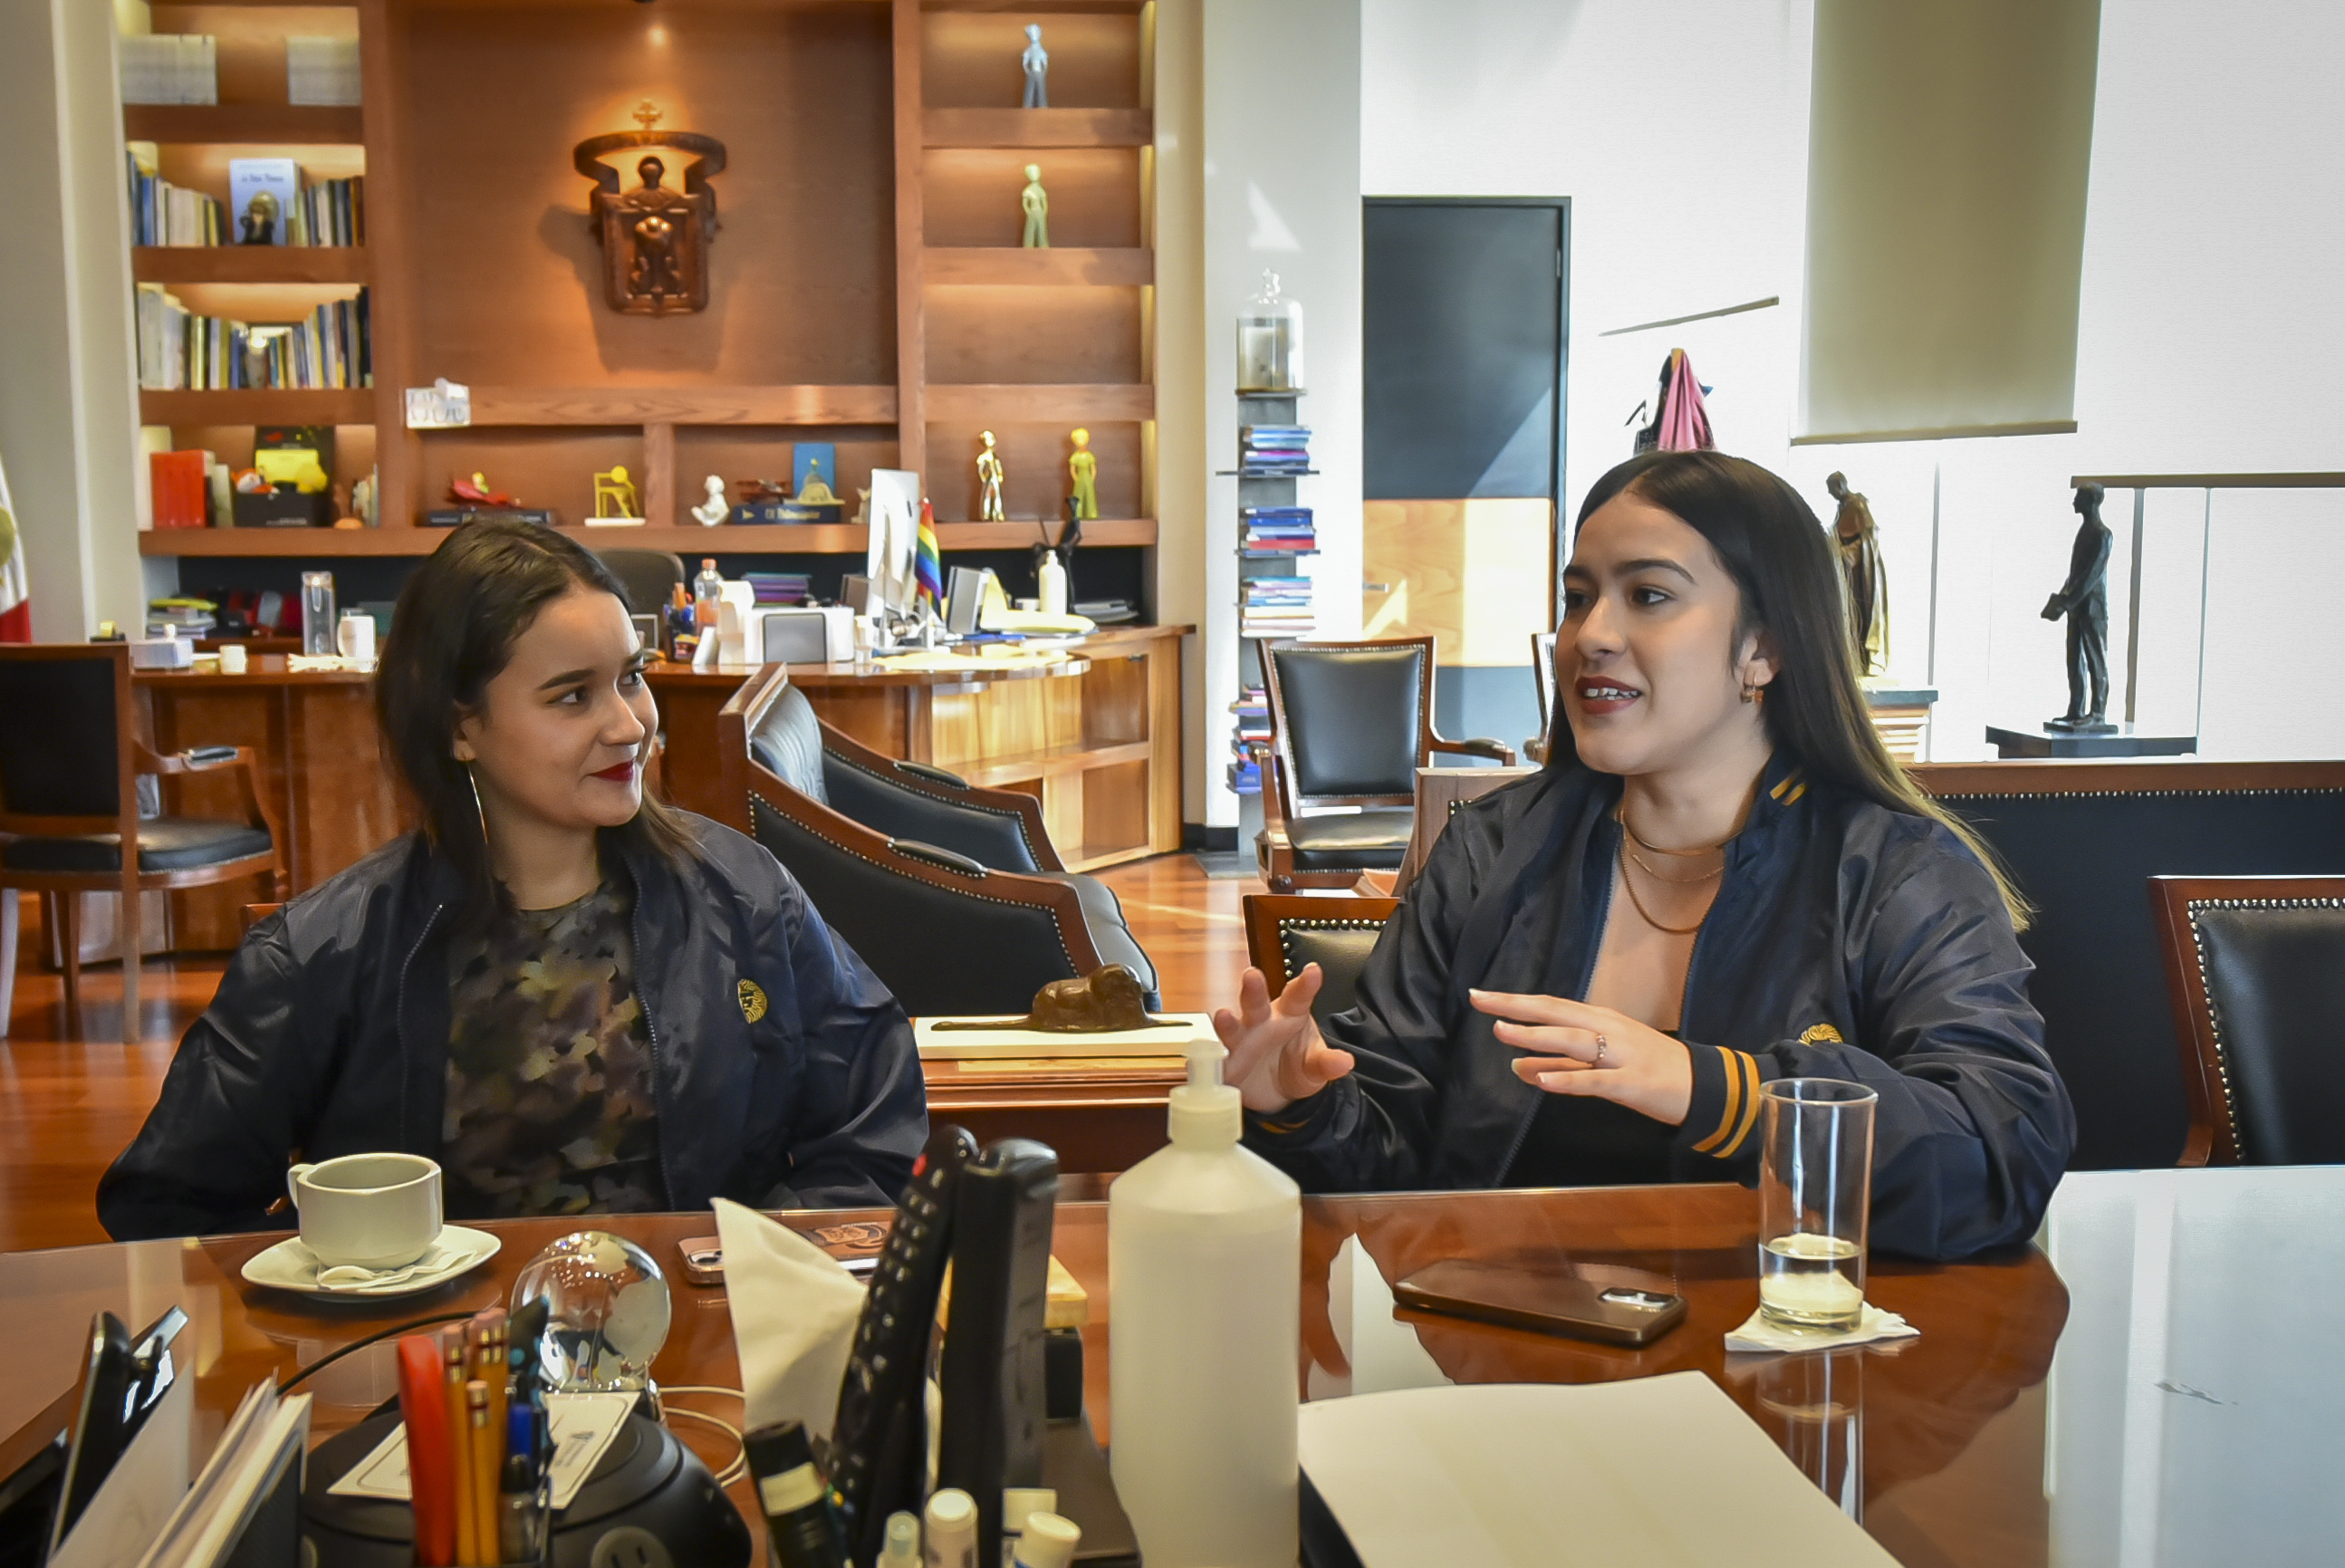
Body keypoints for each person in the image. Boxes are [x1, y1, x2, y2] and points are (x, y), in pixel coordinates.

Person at [1216, 450, 2074, 1261]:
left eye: (1649, 595)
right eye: (1578, 597)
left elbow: (2005, 1150)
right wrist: (1301, 1106)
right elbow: (1388, 1163)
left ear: (1764, 648)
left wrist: (1715, 1089)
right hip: (1501, 1342)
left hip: (1780, 1352)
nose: (1591, 633)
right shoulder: (1488, 849)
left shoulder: (1899, 871)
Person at [99, 522, 926, 1239]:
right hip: (443, 1362)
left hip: (708, 1344)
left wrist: (760, 1263)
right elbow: (168, 1201)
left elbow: (873, 1119)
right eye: (572, 696)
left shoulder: (743, 893)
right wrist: (346, 1277)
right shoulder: (324, 953)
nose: (629, 724)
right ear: (461, 727)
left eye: (631, 676)